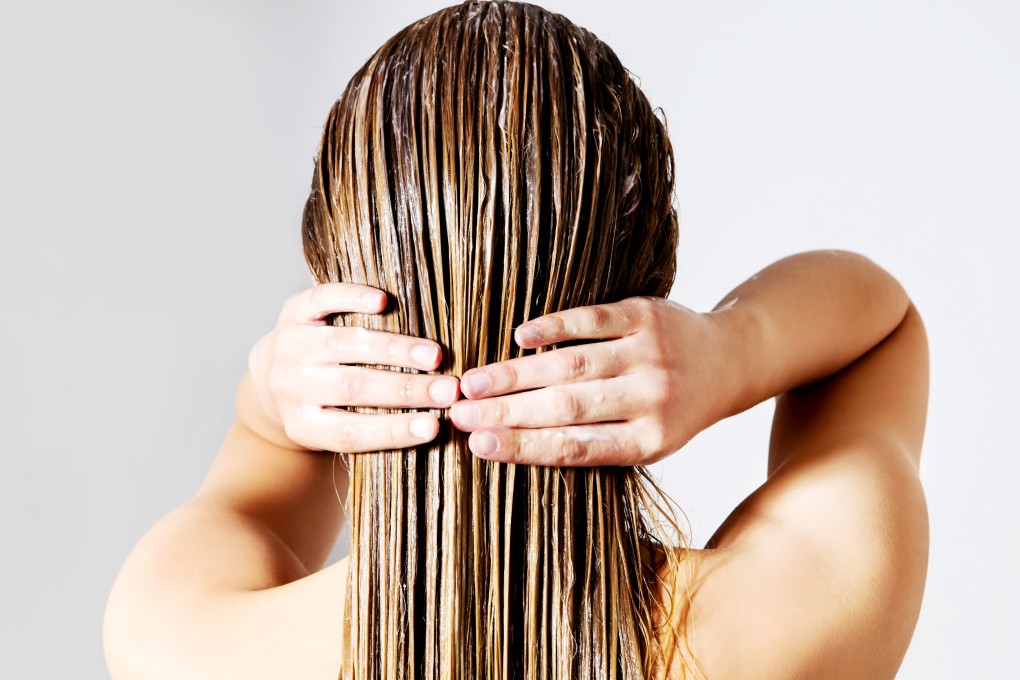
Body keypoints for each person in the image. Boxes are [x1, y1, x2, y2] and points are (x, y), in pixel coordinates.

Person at [103, 2, 929, 679]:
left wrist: (267, 395)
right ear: (645, 298)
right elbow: (881, 324)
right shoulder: (787, 627)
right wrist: (734, 346)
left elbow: (247, 486)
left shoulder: (184, 640)